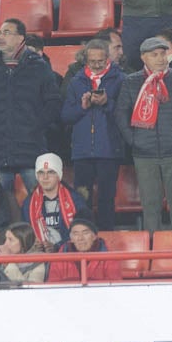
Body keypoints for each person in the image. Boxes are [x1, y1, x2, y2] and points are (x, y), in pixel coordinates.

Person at [115, 35, 172, 231]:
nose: (160, 59)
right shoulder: (131, 81)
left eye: (163, 54)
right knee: (150, 205)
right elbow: (120, 113)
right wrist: (133, 140)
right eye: (155, 55)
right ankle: (152, 251)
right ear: (144, 58)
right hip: (144, 153)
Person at [0, 18, 60, 192]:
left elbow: (54, 103)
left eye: (7, 32)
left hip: (31, 147)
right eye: (0, 33)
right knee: (0, 207)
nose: (1, 37)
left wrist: (36, 126)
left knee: (40, 202)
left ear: (21, 38)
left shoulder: (39, 67)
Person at [61, 37, 124, 230]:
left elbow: (125, 114)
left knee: (106, 198)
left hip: (109, 150)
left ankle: (106, 235)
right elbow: (65, 116)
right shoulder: (75, 81)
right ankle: (84, 235)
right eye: (92, 61)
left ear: (108, 58)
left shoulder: (121, 79)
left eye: (101, 61)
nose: (97, 65)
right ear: (85, 60)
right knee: (82, 198)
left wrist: (107, 103)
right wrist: (82, 107)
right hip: (82, 151)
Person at [43, 213, 122, 284]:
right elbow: (53, 286)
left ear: (94, 236)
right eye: (75, 233)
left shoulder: (108, 255)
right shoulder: (61, 255)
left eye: (85, 233)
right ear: (71, 238)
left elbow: (114, 287)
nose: (80, 238)